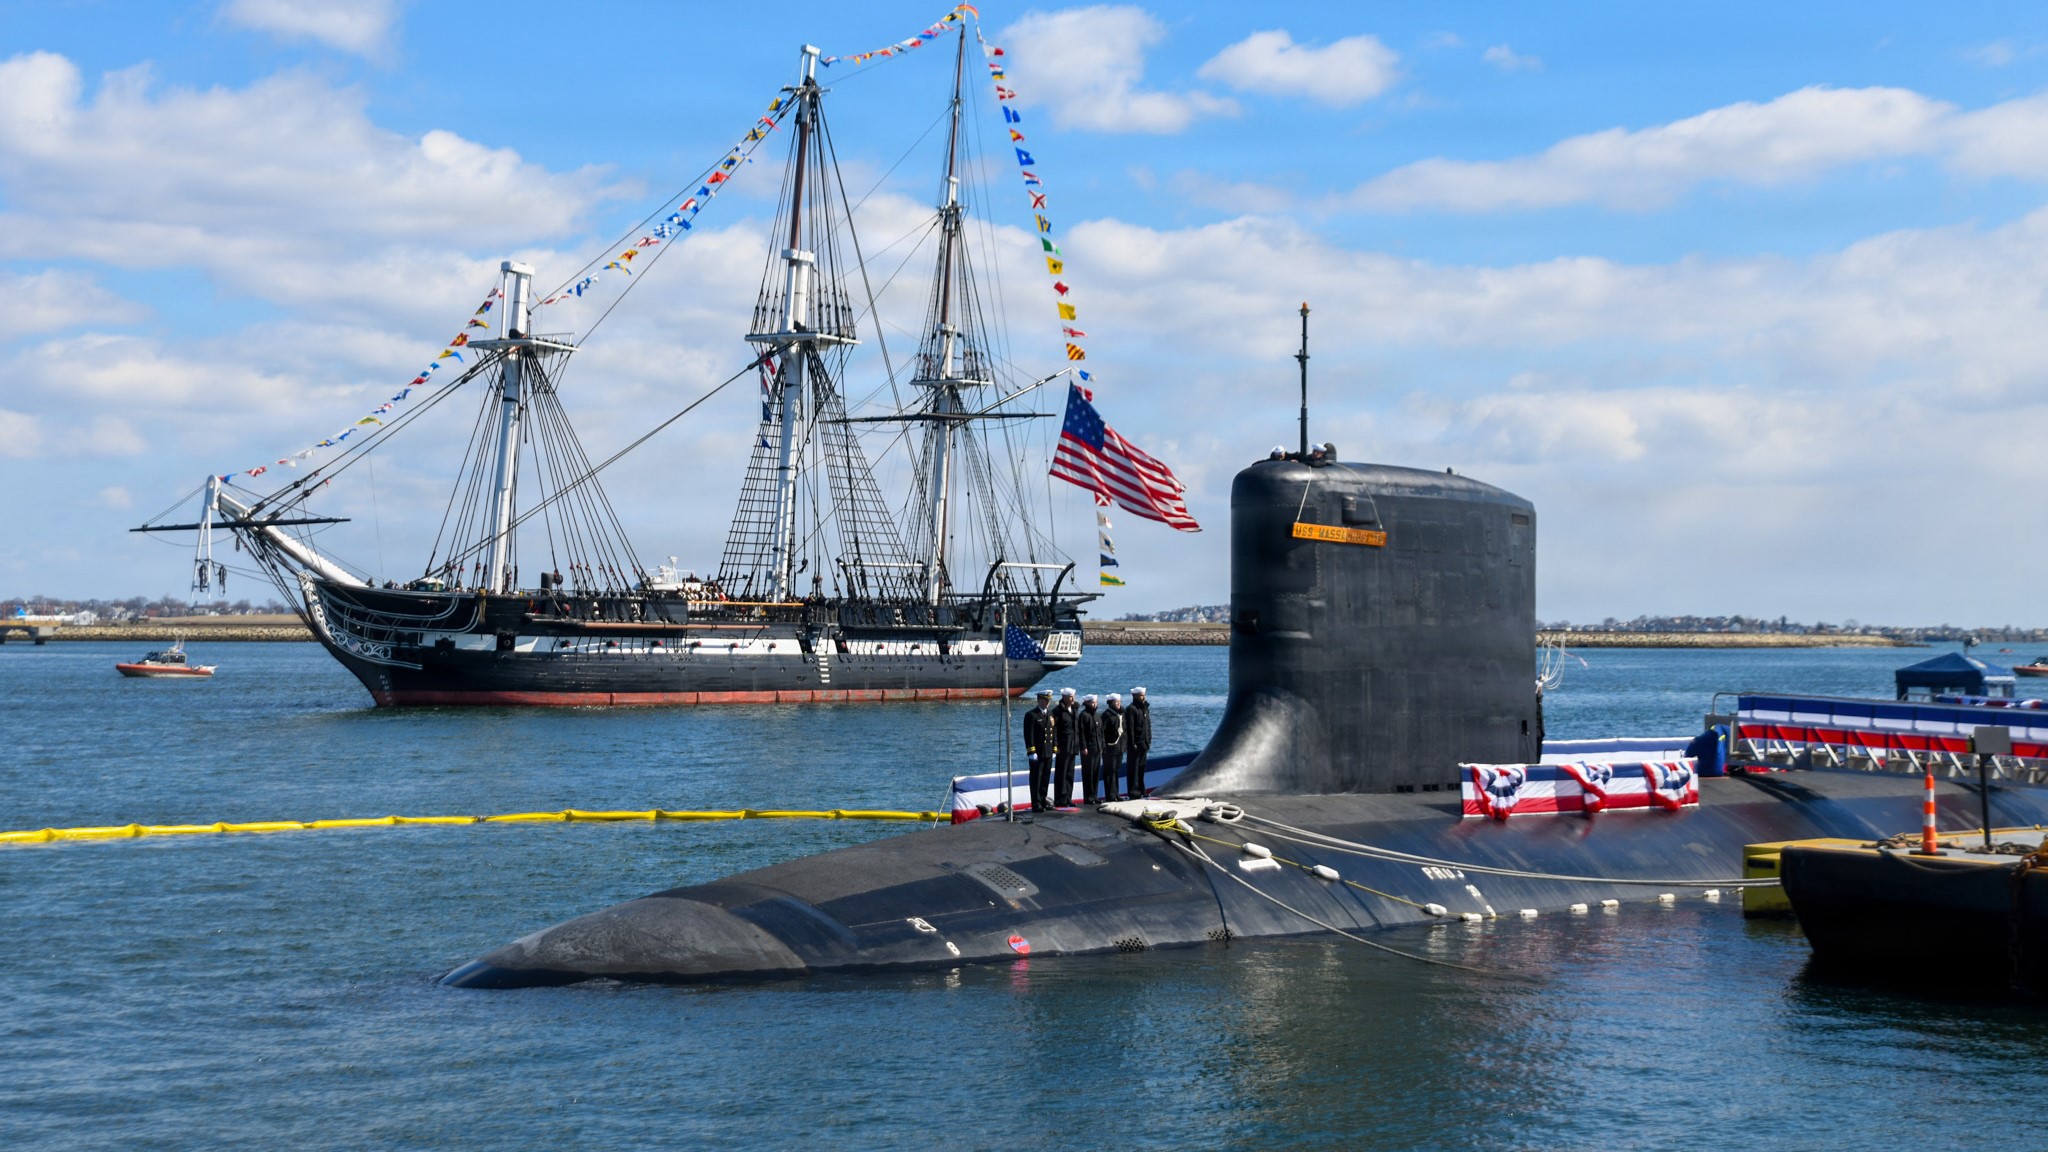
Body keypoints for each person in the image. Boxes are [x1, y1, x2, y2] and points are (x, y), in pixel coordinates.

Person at [1023, 690, 1056, 812]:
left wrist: (1054, 748)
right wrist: (1031, 751)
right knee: (1036, 778)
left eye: (1048, 700)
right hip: (1037, 752)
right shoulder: (1031, 715)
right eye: (1046, 700)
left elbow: (1054, 732)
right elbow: (1028, 735)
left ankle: (1043, 800)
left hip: (1048, 751)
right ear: (1040, 700)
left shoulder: (1050, 714)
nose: (1048, 702)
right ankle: (1036, 803)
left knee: (1045, 778)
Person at [1052, 687, 1080, 809]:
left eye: (1073, 696)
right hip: (1063, 746)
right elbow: (1054, 730)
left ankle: (1068, 797)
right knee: (1061, 773)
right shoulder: (1057, 711)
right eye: (1070, 697)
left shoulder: (1074, 709)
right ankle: (1060, 798)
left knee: (1070, 773)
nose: (1073, 699)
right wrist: (1055, 745)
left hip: (1073, 746)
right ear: (1064, 697)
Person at [1125, 686, 1152, 800]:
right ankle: (1133, 791)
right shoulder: (1131, 709)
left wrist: (1149, 740)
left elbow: (1148, 726)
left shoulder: (1145, 709)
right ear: (1135, 696)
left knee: (1141, 768)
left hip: (1144, 743)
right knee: (1134, 768)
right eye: (1141, 695)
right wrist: (1132, 743)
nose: (1143, 697)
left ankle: (1141, 790)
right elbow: (1130, 728)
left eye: (1144, 695)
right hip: (1135, 744)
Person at [1077, 694, 1104, 804]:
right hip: (1088, 749)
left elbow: (1101, 733)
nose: (1094, 704)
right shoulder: (1084, 716)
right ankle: (1088, 797)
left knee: (1096, 773)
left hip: (1097, 748)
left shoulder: (1097, 716)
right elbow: (1081, 733)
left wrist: (1102, 746)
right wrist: (1083, 747)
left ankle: (1095, 795)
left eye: (1095, 702)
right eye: (1092, 703)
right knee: (1088, 773)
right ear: (1087, 703)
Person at [1101, 693, 1127, 799]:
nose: (1119, 704)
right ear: (1111, 703)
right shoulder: (1106, 715)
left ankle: (1116, 793)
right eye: (1116, 702)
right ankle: (1110, 795)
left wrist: (1124, 745)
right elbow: (1102, 732)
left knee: (1116, 771)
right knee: (1109, 772)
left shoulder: (1122, 714)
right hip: (1110, 747)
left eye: (1119, 702)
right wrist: (1104, 746)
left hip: (1119, 747)